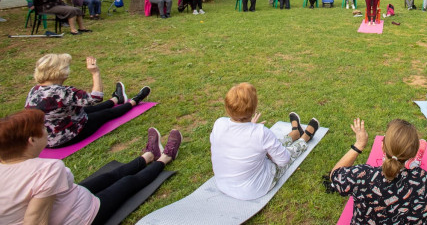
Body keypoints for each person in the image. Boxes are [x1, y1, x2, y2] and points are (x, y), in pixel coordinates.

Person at [0, 109, 182, 225]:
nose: (47, 130)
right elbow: (35, 221)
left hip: (67, 198)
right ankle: (165, 158)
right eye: (43, 128)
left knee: (108, 177)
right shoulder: (47, 169)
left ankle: (148, 155)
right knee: (128, 182)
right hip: (84, 215)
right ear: (31, 141)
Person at [210, 83, 319, 200]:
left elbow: (238, 138)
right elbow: (284, 160)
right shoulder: (260, 132)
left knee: (267, 144)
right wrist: (269, 155)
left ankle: (294, 134)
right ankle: (304, 138)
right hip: (254, 189)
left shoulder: (219, 123)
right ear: (253, 109)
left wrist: (251, 126)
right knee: (282, 152)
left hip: (223, 184)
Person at [330, 118, 427, 223]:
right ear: (414, 153)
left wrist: (359, 145)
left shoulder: (362, 176)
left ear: (382, 146)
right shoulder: (424, 180)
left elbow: (335, 175)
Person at [24, 54, 151, 148]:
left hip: (46, 137)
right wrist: (95, 73)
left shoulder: (34, 90)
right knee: (105, 114)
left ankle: (117, 98)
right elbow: (96, 97)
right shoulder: (63, 92)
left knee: (87, 109)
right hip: (64, 136)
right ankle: (134, 101)